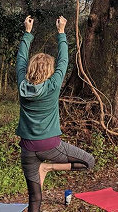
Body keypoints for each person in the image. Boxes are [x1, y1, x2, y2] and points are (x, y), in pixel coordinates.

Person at [16, 15, 95, 212]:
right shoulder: (53, 85)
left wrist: (27, 33)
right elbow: (64, 61)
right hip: (50, 146)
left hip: (27, 149)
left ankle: (44, 168)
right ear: (50, 71)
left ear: (30, 69)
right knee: (89, 162)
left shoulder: (21, 85)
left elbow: (20, 60)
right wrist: (61, 32)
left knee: (34, 199)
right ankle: (48, 167)